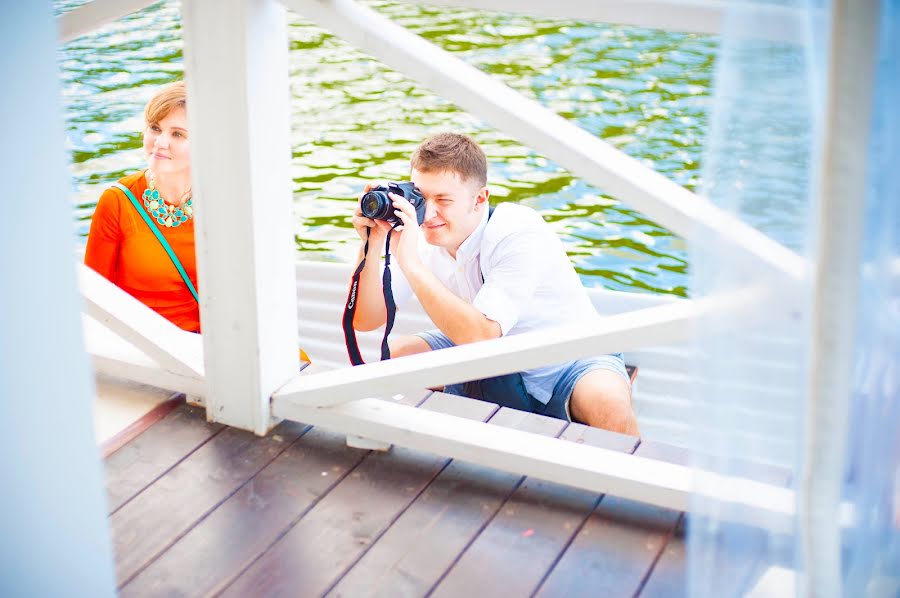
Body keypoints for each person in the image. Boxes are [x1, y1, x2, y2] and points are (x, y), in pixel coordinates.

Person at [350, 132, 639, 435]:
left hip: (568, 360)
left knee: (610, 407)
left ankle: (641, 479)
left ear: (479, 199)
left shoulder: (517, 231)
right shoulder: (417, 233)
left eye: (443, 200)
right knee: (394, 357)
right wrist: (371, 247)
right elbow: (366, 320)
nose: (429, 213)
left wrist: (410, 262)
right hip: (491, 359)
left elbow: (481, 336)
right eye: (421, 198)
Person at [85, 81, 200, 331]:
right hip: (147, 350)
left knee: (295, 364)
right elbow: (95, 300)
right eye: (155, 128)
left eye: (178, 134)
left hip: (216, 342)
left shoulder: (222, 200)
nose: (159, 142)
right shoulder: (117, 201)